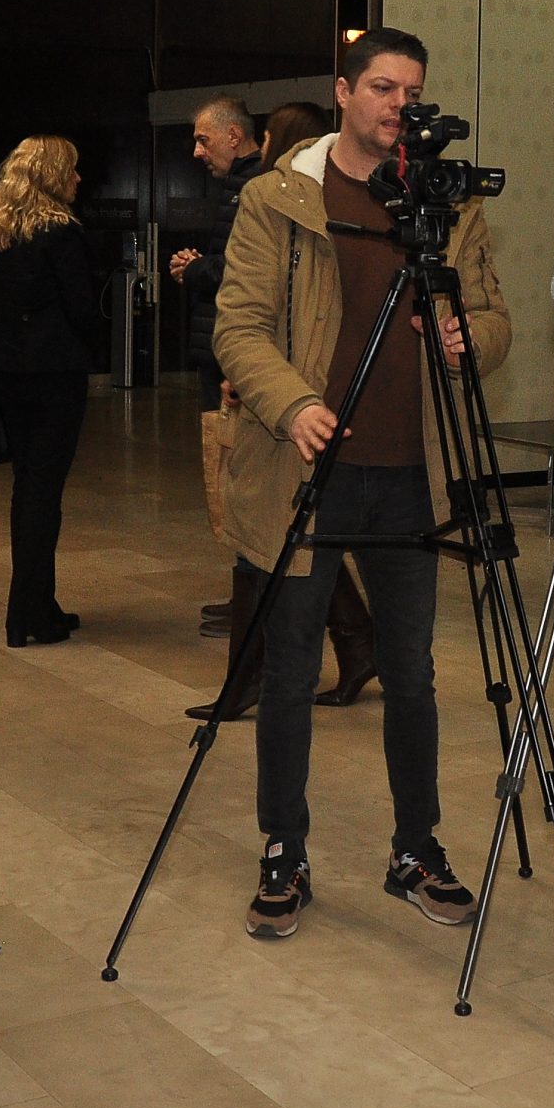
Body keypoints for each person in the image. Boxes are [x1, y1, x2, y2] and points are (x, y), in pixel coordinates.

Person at [214, 28, 509, 939]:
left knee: (411, 672)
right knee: (290, 669)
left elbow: (493, 316)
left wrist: (468, 340)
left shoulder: (448, 203)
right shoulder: (280, 197)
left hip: (413, 473)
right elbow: (239, 327)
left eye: (412, 91)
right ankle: (284, 849)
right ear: (343, 93)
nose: (398, 106)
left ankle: (416, 848)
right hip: (305, 468)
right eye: (382, 87)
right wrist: (293, 404)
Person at [184, 97, 381, 718]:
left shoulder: (271, 196)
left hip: (299, 404)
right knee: (285, 539)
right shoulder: (270, 195)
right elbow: (252, 310)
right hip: (277, 390)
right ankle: (353, 644)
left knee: (273, 540)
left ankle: (258, 677)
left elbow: (259, 303)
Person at [0, 135, 104, 647]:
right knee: (44, 491)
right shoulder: (61, 232)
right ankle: (26, 611)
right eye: (72, 170)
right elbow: (82, 309)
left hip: (7, 370)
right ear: (53, 176)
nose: (78, 179)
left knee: (27, 486)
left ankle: (37, 603)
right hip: (54, 374)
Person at [170, 95, 258, 638]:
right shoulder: (235, 188)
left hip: (235, 361)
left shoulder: (253, 187)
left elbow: (245, 270)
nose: (197, 151)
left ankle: (255, 599)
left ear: (232, 135)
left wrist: (197, 270)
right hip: (220, 351)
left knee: (241, 482)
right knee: (228, 482)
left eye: (204, 139)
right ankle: (245, 593)